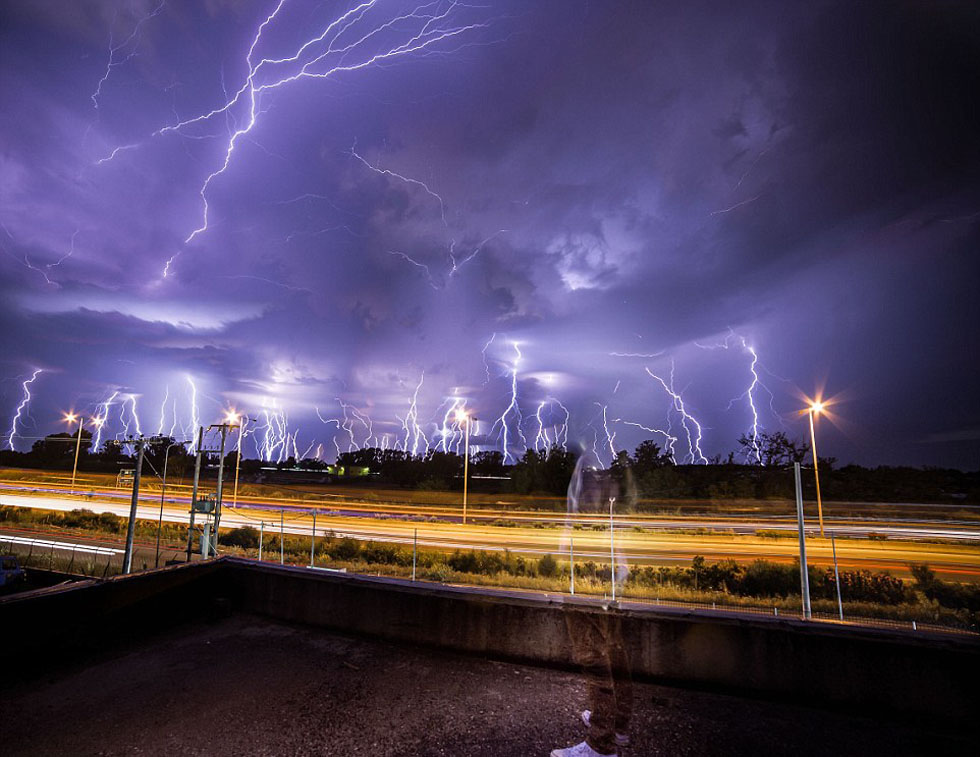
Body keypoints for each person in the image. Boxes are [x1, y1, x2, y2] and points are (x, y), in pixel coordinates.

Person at [551, 457, 633, 757]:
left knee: (595, 659)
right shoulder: (607, 483)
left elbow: (574, 534)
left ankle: (601, 742)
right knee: (615, 652)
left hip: (586, 586)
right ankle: (618, 724)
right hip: (609, 582)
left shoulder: (586, 488)